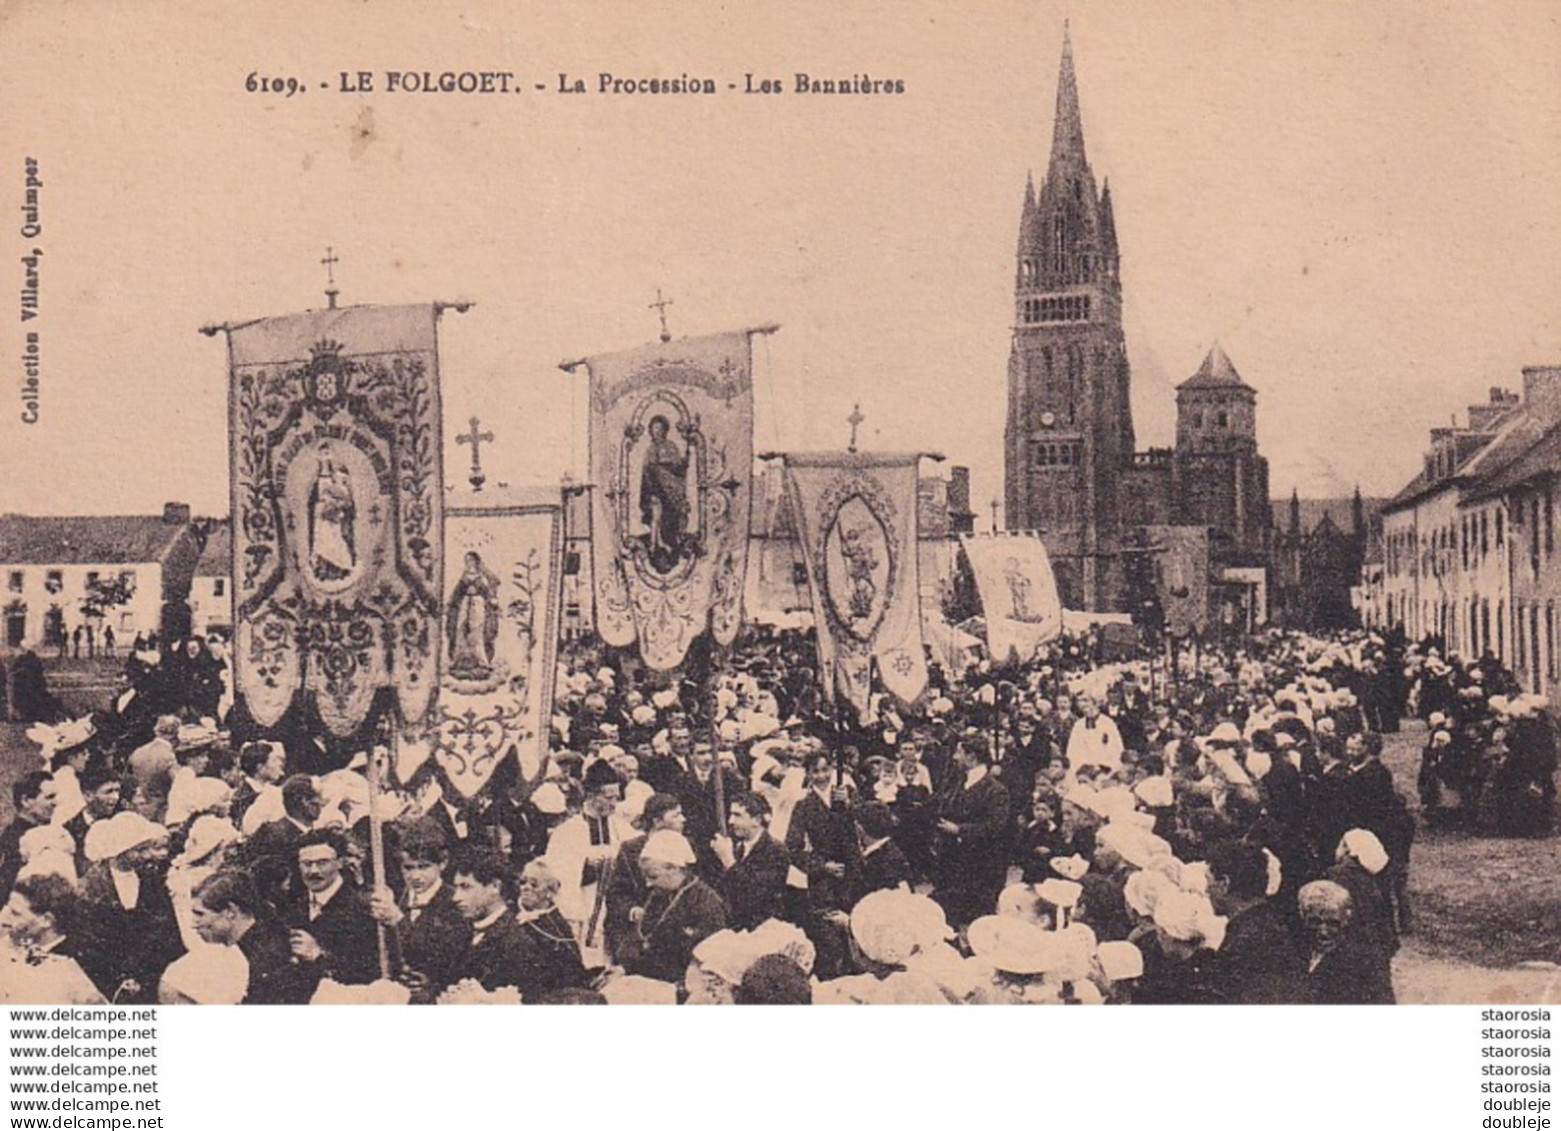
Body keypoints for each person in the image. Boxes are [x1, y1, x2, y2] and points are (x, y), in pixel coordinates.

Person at [75, 812, 181, 1004]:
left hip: (148, 975)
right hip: (106, 978)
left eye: (148, 848)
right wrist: (119, 979)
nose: (147, 855)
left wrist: (143, 974)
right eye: (139, 850)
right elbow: (88, 943)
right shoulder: (91, 887)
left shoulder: (151, 881)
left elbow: (166, 930)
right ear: (120, 850)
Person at [369, 819, 469, 1002]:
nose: (415, 876)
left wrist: (398, 920)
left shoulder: (455, 902)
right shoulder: (397, 898)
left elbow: (442, 956)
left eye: (424, 867)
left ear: (443, 863)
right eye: (408, 868)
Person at [619, 830, 726, 985]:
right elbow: (641, 938)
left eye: (653, 876)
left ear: (674, 868)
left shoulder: (707, 904)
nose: (648, 884)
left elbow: (707, 960)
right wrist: (623, 968)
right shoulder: (659, 895)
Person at [1205, 842, 1305, 1004]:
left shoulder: (1246, 940)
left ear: (1224, 884)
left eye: (1208, 880)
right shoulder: (1270, 923)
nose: (1206, 890)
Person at [191, 869, 310, 1005]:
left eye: (200, 914)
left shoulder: (267, 958)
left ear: (231, 912)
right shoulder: (263, 939)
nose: (193, 924)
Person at [285, 829, 380, 991]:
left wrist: (318, 956)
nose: (313, 871)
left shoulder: (362, 910)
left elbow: (368, 975)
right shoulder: (293, 906)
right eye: (307, 864)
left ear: (340, 862)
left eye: (323, 863)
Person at [933, 734, 1011, 928]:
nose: (955, 757)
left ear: (972, 756)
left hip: (981, 868)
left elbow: (995, 826)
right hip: (953, 864)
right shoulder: (956, 782)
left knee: (978, 922)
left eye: (959, 752)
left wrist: (959, 830)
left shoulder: (995, 790)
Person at [603, 792, 685, 964]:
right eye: (676, 815)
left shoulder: (685, 847)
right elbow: (616, 893)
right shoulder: (630, 849)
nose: (683, 819)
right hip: (638, 932)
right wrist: (632, 910)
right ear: (657, 821)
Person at [0, 874, 106, 1005]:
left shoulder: (79, 968)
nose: (2, 919)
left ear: (46, 920)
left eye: (15, 913)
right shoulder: (9, 945)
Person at [446, 847, 534, 995]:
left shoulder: (517, 943)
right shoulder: (462, 930)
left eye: (465, 887)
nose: (456, 897)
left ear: (495, 887)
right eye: (456, 887)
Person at [1298, 880, 1394, 1005]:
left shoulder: (1366, 963)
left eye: (1332, 924)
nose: (1323, 932)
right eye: (1315, 922)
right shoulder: (1293, 952)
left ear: (1346, 920)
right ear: (1303, 918)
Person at [712, 792, 790, 930]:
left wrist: (728, 861)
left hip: (763, 929)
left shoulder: (776, 851)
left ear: (756, 820)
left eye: (737, 815)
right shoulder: (738, 848)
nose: (730, 821)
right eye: (731, 815)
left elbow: (755, 895)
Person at [514, 859, 590, 998]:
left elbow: (572, 973)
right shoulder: (512, 915)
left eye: (534, 884)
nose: (526, 887)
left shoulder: (556, 928)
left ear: (549, 893)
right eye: (522, 882)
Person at [639, 414, 689, 572]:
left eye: (659, 429)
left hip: (672, 491)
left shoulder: (672, 447)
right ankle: (655, 544)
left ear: (665, 430)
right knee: (656, 516)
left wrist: (682, 462)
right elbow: (647, 473)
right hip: (656, 490)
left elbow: (679, 470)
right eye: (654, 429)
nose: (657, 432)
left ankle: (667, 543)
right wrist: (652, 491)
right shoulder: (650, 450)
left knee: (671, 518)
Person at [1, 772, 59, 900]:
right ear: (26, 801)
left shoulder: (43, 833)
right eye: (49, 797)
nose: (56, 803)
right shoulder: (16, 839)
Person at [447, 551, 502, 680]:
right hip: (465, 603)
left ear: (476, 562)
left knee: (477, 631)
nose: (468, 563)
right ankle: (458, 660)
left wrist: (492, 601)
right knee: (461, 629)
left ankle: (482, 662)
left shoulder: (481, 577)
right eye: (467, 561)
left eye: (471, 560)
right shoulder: (464, 576)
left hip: (478, 604)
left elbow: (486, 591)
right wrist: (451, 603)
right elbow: (457, 592)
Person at [1066, 694, 1124, 773]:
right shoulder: (1078, 725)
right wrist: (1083, 766)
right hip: (1083, 769)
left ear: (1095, 703)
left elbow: (1116, 748)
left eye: (1086, 701)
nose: (1083, 704)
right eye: (1079, 701)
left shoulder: (1108, 723)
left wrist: (1101, 766)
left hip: (1104, 768)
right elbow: (1073, 750)